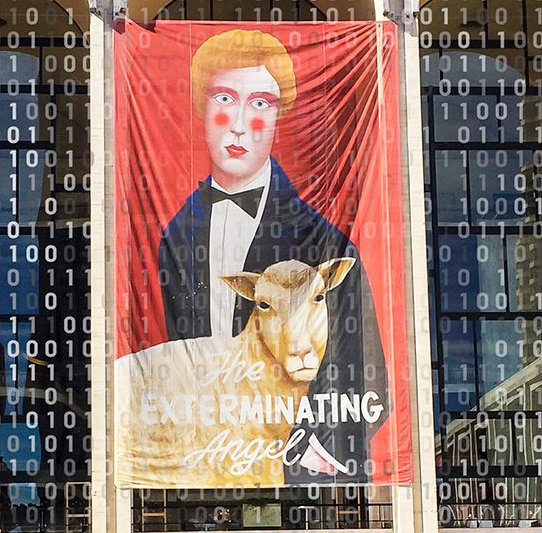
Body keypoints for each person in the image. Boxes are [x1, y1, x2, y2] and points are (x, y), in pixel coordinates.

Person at [156, 28, 389, 484]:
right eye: (225, 98)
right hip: (199, 472)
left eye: (260, 103)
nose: (240, 123)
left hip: (297, 479)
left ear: (280, 116)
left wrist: (293, 458)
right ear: (201, 109)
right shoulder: (176, 237)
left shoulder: (325, 241)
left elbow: (366, 379)